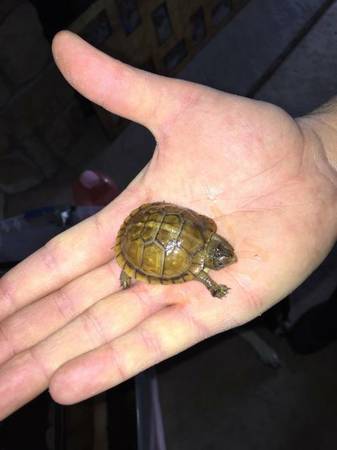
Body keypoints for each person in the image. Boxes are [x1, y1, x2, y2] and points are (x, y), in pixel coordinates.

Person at [0, 31, 336, 420]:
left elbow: (201, 240)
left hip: (157, 224)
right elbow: (204, 272)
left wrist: (323, 155)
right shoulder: (203, 251)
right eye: (221, 255)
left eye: (221, 255)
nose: (224, 256)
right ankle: (129, 269)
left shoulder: (206, 233)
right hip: (147, 235)